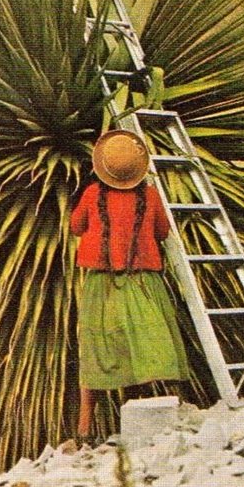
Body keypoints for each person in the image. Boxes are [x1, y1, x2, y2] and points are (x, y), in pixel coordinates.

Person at [70, 130, 189, 440]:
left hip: (102, 280)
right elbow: (163, 231)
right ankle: (172, 412)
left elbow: (76, 226)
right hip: (143, 279)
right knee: (152, 340)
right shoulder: (149, 195)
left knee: (98, 346)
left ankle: (84, 427)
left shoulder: (92, 193)